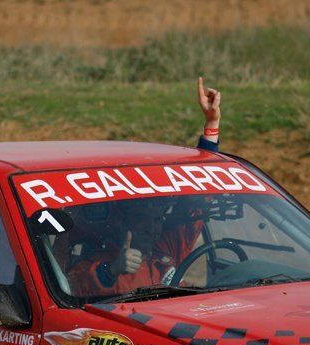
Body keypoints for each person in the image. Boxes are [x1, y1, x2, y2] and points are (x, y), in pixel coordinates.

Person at [65, 78, 221, 296]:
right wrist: (112, 271)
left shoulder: (163, 250)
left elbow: (200, 196)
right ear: (122, 222)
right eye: (143, 219)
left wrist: (211, 126)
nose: (152, 227)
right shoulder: (98, 261)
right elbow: (73, 289)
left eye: (157, 219)